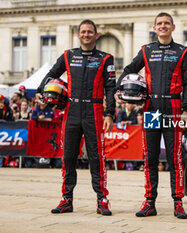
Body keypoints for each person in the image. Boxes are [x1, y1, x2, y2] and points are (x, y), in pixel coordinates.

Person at [116, 12, 187, 219]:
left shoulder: (183, 52)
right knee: (149, 156)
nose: (163, 26)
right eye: (159, 23)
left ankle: (178, 202)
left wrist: (186, 109)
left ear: (173, 27)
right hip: (151, 107)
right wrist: (119, 88)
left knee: (175, 157)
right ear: (154, 27)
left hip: (174, 106)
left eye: (167, 23)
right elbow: (129, 69)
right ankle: (149, 201)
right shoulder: (146, 50)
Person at [36, 19, 116, 215]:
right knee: (68, 157)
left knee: (97, 158)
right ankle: (66, 199)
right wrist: (39, 91)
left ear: (96, 35)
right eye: (83, 32)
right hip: (71, 111)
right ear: (78, 35)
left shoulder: (106, 58)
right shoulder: (68, 55)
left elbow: (110, 88)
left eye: (90, 32)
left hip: (95, 111)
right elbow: (52, 74)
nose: (86, 34)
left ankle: (102, 199)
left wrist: (109, 113)